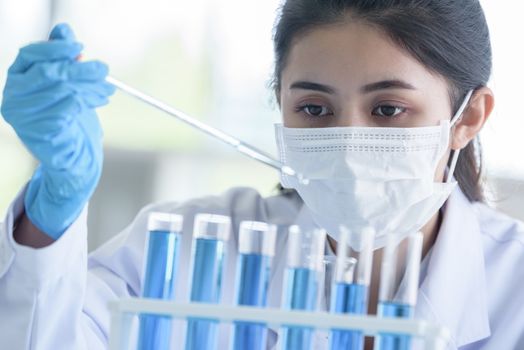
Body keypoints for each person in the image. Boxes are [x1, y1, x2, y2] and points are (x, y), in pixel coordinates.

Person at [1, 0, 523, 349]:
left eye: (388, 109)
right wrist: (52, 213)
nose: (346, 145)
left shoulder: (514, 285)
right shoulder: (187, 250)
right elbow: (42, 335)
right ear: (281, 105)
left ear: (468, 117)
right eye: (315, 109)